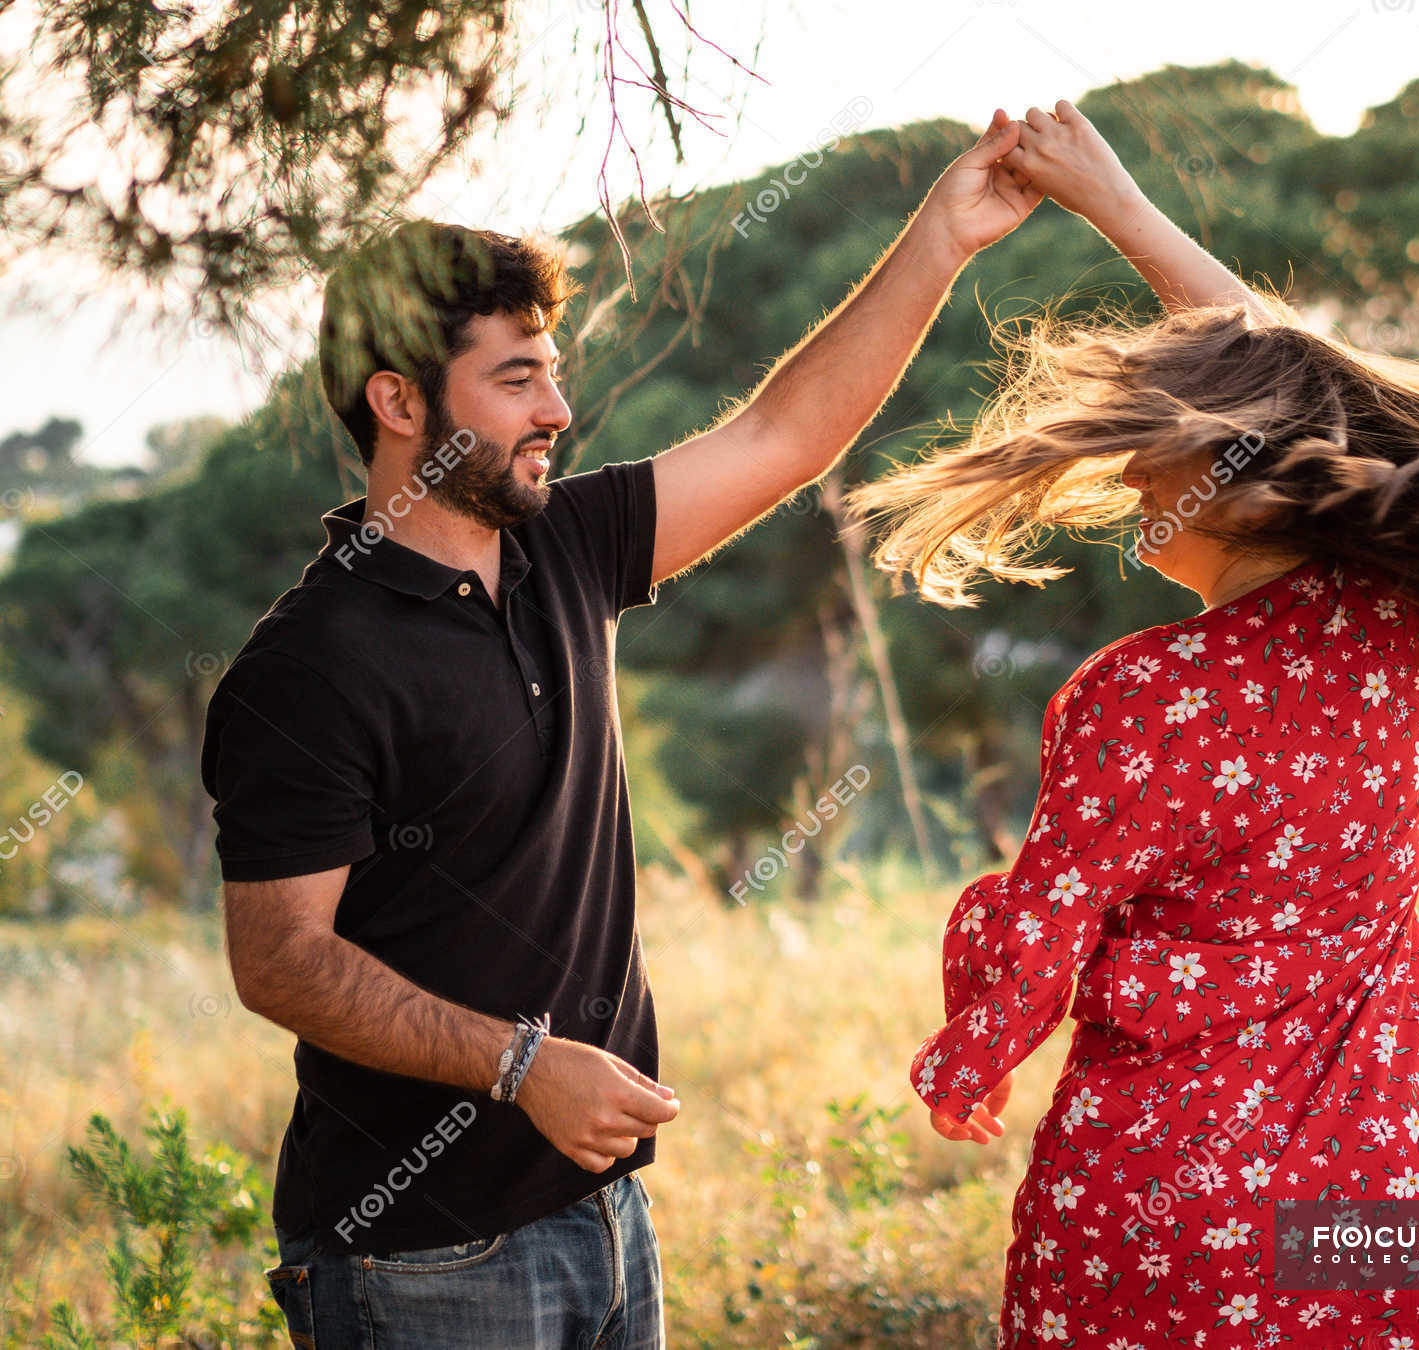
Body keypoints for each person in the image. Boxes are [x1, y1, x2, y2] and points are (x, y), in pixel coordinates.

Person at [843, 100, 1419, 1349]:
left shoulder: (1142, 693)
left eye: (1165, 457)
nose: (1140, 479)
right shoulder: (1381, 627)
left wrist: (970, 1052)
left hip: (1169, 1196)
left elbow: (1044, 917)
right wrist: (1122, 210)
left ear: (1246, 496)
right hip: (1375, 1174)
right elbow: (1310, 383)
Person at [200, 110, 1047, 1350]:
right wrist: (520, 1065)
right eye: (514, 378)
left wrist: (941, 241)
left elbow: (783, 436)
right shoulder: (311, 664)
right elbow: (279, 962)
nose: (559, 406)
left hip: (604, 1220)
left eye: (552, 367)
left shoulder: (566, 544)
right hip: (421, 1259)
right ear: (396, 401)